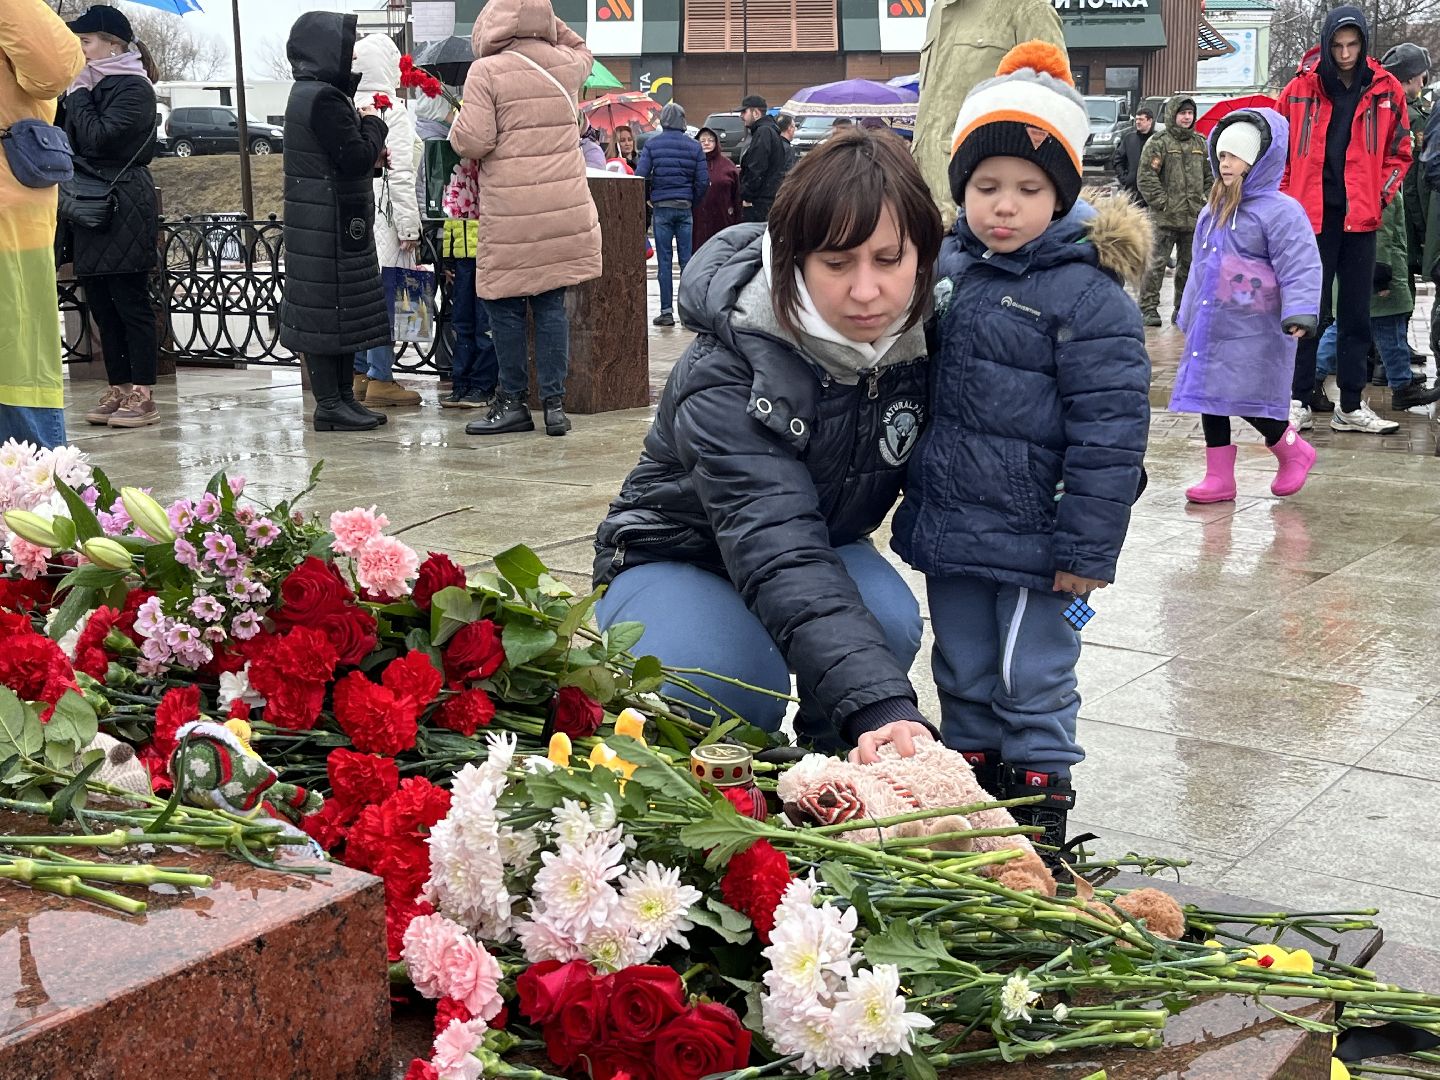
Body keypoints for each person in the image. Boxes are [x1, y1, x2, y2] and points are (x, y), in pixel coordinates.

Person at [592, 132, 944, 763]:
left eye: (888, 260)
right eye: (837, 264)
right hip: (680, 553)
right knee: (725, 680)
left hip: (817, 540)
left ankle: (837, 767)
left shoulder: (919, 340)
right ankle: (721, 784)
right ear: (793, 260)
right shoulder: (730, 370)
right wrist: (878, 703)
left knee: (888, 621)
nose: (866, 291)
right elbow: (773, 541)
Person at [892, 42, 1151, 851]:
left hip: (1044, 541)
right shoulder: (948, 273)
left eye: (1028, 190)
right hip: (957, 526)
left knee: (1033, 675)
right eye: (985, 187)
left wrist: (1087, 546)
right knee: (959, 665)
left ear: (1062, 193)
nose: (1004, 207)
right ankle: (971, 798)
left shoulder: (1087, 295)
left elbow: (1111, 434)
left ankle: (1040, 807)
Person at [449, 0, 601, 438]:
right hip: (564, 208)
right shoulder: (568, 65)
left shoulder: (487, 71)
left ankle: (512, 401)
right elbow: (583, 46)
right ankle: (555, 406)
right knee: (551, 302)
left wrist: (457, 123)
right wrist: (549, 26)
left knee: (504, 303)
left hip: (513, 210)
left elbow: (474, 140)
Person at [1169, 112, 1323, 505]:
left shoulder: (1281, 212)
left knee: (1248, 394)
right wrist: (1187, 312)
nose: (1225, 163)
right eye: (1221, 155)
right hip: (1214, 323)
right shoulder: (1213, 209)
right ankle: (1218, 476)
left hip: (1257, 325)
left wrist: (1302, 309)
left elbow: (1300, 262)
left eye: (1236, 155)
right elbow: (1200, 268)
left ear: (1259, 160)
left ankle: (1291, 448)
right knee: (1209, 395)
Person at [1277, 6, 1412, 435]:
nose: (1346, 53)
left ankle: (1350, 405)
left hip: (1361, 217)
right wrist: (1285, 202)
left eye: (1353, 45)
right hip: (1310, 219)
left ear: (1364, 43)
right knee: (1306, 312)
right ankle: (1297, 399)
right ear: (1327, 44)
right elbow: (1276, 150)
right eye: (1337, 46)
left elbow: (1401, 150)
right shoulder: (1299, 89)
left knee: (1356, 315)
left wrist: (1380, 193)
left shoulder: (1387, 90)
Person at [278, 11, 391, 433]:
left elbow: (337, 160)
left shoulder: (309, 93)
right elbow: (354, 157)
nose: (352, 56)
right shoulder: (323, 98)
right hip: (328, 226)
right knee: (327, 313)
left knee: (339, 313)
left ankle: (342, 399)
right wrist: (374, 126)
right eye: (347, 46)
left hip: (325, 219)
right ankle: (330, 402)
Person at [61, 5, 161, 430]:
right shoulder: (83, 86)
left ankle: (143, 393)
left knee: (131, 302)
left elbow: (99, 137)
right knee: (101, 303)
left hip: (122, 203)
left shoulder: (133, 89)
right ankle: (117, 387)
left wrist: (78, 94)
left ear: (114, 45)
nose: (80, 50)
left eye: (86, 42)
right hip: (87, 202)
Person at [0, 0, 84, 448]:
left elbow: (53, 68)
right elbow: (56, 67)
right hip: (10, 217)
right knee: (15, 356)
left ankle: (31, 495)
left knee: (15, 356)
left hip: (9, 222)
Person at [911, 0, 1065, 227]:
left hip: (986, 216)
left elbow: (1054, 110)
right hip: (927, 208)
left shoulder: (1027, 7)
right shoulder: (939, 8)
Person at [1315, 187, 1440, 410]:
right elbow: (1380, 231)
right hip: (1378, 275)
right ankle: (1403, 387)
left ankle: (1312, 379)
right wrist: (1380, 275)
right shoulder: (1381, 188)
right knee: (1389, 333)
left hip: (1361, 272)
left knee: (1344, 328)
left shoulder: (1363, 185)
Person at [351, 33, 422, 410]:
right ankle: (382, 377)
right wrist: (409, 227)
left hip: (359, 218)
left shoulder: (352, 105)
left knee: (366, 297)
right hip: (387, 219)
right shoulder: (390, 110)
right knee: (385, 299)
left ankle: (362, 373)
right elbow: (401, 173)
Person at [1137, 94, 1211, 328]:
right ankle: (1148, 308)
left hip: (1194, 218)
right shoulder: (1159, 142)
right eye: (1182, 113)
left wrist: (1207, 200)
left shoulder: (1201, 143)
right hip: (1165, 218)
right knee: (1156, 265)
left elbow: (1211, 177)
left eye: (1190, 113)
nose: (1187, 117)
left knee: (1188, 267)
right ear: (1172, 115)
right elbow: (1146, 177)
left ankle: (1182, 309)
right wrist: (1162, 203)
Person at [1379, 43, 1431, 368]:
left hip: (1401, 210)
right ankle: (1388, 358)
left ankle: (1393, 352)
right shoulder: (1404, 115)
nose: (1422, 85)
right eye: (1419, 78)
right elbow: (1412, 175)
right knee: (1397, 285)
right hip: (1400, 211)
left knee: (1402, 284)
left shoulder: (1408, 111)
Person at [637, 103, 708, 328]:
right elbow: (703, 182)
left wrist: (651, 198)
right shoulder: (694, 147)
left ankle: (666, 312)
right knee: (687, 262)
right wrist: (692, 201)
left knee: (665, 262)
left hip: (662, 209)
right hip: (685, 208)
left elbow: (640, 176)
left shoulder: (652, 144)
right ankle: (688, 313)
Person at [691, 126, 741, 253]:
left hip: (723, 217)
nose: (706, 143)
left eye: (710, 140)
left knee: (721, 251)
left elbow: (737, 194)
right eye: (703, 140)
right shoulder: (692, 164)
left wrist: (736, 215)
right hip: (698, 219)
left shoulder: (727, 165)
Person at [737, 95, 785, 222]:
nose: (741, 116)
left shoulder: (763, 132)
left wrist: (747, 196)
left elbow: (757, 167)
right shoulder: (768, 131)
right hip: (767, 199)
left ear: (756, 113)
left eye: (744, 111)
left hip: (760, 202)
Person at [1111, 106, 1154, 206]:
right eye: (1136, 119)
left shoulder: (1157, 140)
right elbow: (1117, 160)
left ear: (1149, 121)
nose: (1138, 122)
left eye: (1141, 119)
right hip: (1132, 190)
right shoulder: (1129, 138)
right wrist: (1125, 179)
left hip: (1152, 192)